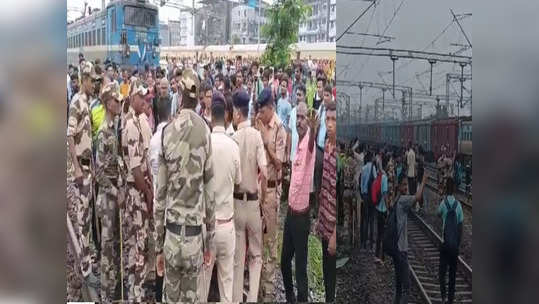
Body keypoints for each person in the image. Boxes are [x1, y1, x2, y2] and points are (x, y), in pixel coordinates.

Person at [154, 69, 215, 302]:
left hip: (170, 236)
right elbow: (211, 195)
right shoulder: (205, 132)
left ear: (179, 95)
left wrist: (158, 246)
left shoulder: (166, 133)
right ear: (198, 97)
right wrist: (209, 244)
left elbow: (159, 198)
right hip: (193, 240)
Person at [198, 91, 241, 303]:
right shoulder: (234, 147)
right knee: (226, 285)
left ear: (209, 115)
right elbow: (238, 181)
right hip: (227, 224)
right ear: (226, 115)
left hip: (207, 227)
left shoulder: (204, 145)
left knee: (203, 285)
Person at [231, 90, 267, 302]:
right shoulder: (256, 136)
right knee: (256, 257)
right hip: (253, 203)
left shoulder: (233, 138)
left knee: (237, 258)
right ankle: (252, 299)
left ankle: (236, 299)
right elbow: (265, 169)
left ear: (237, 113)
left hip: (236, 203)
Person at [121, 83, 155, 301]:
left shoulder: (133, 121)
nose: (145, 101)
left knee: (134, 244)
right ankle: (137, 293)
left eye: (146, 98)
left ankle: (134, 290)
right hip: (137, 191)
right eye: (141, 98)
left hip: (136, 190)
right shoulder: (132, 125)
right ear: (132, 98)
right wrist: (148, 193)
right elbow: (135, 167)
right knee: (139, 243)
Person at [280, 102, 317, 303]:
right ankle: (290, 297)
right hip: (290, 215)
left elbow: (312, 143)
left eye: (304, 118)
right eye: (299, 118)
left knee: (300, 268)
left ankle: (302, 299)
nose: (300, 121)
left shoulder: (309, 145)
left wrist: (314, 130)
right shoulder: (298, 144)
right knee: (284, 261)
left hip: (302, 219)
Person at [67, 61, 99, 288]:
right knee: (82, 219)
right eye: (91, 80)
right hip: (81, 173)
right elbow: (69, 136)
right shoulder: (77, 103)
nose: (94, 84)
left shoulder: (86, 102)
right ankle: (86, 269)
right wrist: (76, 167)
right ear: (84, 79)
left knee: (87, 218)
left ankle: (87, 261)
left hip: (89, 169)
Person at [256, 88, 287, 301]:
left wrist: (266, 143)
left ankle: (268, 291)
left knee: (270, 242)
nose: (260, 115)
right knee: (257, 239)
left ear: (271, 108)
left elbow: (278, 163)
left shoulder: (279, 129)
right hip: (257, 190)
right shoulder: (257, 123)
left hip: (271, 191)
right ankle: (257, 288)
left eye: (263, 111)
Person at [94, 83, 124, 302]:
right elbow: (99, 172)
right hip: (107, 198)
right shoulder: (104, 132)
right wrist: (115, 190)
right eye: (116, 100)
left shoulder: (114, 128)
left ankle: (112, 289)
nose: (119, 103)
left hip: (114, 194)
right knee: (106, 247)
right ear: (107, 103)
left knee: (113, 244)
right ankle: (106, 293)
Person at [392, 170, 427, 304]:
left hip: (396, 248)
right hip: (401, 250)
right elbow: (417, 197)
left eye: (407, 185)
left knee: (399, 286)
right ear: (399, 186)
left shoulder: (396, 199)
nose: (406, 187)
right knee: (407, 288)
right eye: (404, 185)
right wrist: (423, 181)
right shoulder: (403, 200)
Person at [315, 100, 337, 303]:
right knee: (326, 271)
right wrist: (320, 220)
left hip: (333, 230)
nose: (329, 123)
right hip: (324, 222)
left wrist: (334, 235)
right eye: (327, 119)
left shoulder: (340, 153)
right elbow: (324, 188)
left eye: (333, 119)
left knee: (332, 275)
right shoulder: (327, 147)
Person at [437, 177, 464, 304]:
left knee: (442, 273)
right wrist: (458, 244)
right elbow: (460, 227)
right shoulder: (458, 206)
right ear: (454, 189)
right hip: (454, 246)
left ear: (445, 188)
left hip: (445, 244)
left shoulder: (443, 204)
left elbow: (437, 214)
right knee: (452, 275)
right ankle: (450, 301)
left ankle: (443, 297)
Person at [360, 151, 377, 250]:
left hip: (365, 196)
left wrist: (363, 195)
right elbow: (375, 181)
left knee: (365, 218)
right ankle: (371, 241)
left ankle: (364, 241)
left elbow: (362, 184)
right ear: (371, 158)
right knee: (372, 219)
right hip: (371, 196)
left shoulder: (363, 168)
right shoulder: (373, 168)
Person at [375, 156, 389, 264]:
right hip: (383, 208)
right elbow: (384, 194)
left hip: (377, 207)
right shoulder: (384, 177)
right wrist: (388, 207)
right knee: (383, 234)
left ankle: (376, 255)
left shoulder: (378, 175)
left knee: (379, 233)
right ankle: (382, 256)